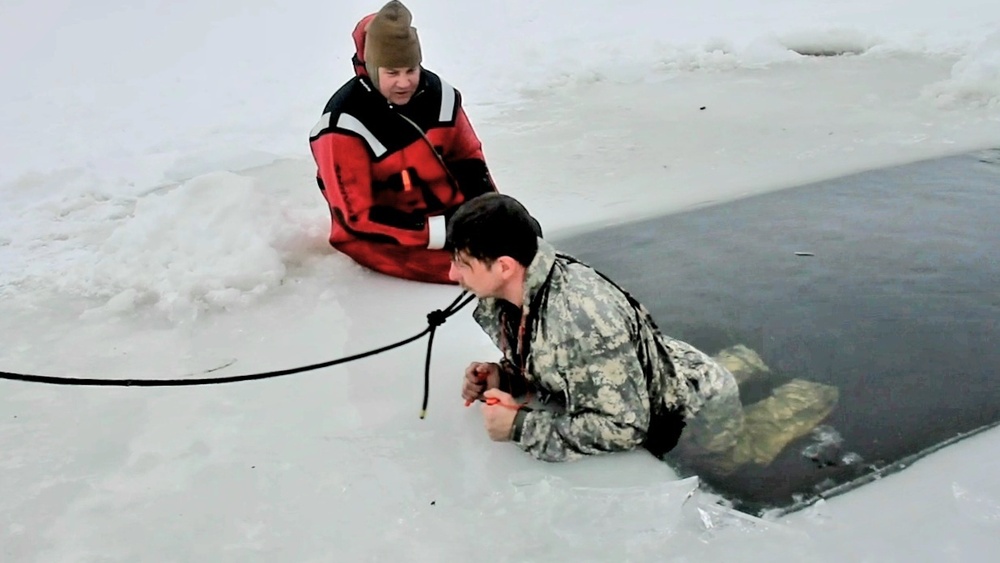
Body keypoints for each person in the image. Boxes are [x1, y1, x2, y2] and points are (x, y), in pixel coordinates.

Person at [446, 193, 748, 463]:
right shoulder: (520, 294)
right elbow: (557, 361)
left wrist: (520, 426)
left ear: (504, 267)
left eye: (463, 264)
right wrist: (507, 377)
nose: (451, 274)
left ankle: (789, 395)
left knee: (731, 462)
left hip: (696, 409)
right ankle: (747, 362)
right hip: (658, 372)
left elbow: (624, 426)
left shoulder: (581, 319)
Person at [309, 1, 499, 284]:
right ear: (373, 69)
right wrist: (441, 232)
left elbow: (468, 157)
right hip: (384, 238)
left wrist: (489, 210)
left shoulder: (441, 97)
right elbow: (357, 218)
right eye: (392, 73)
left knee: (517, 245)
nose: (404, 82)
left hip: (447, 215)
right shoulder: (343, 125)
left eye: (411, 70)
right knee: (490, 272)